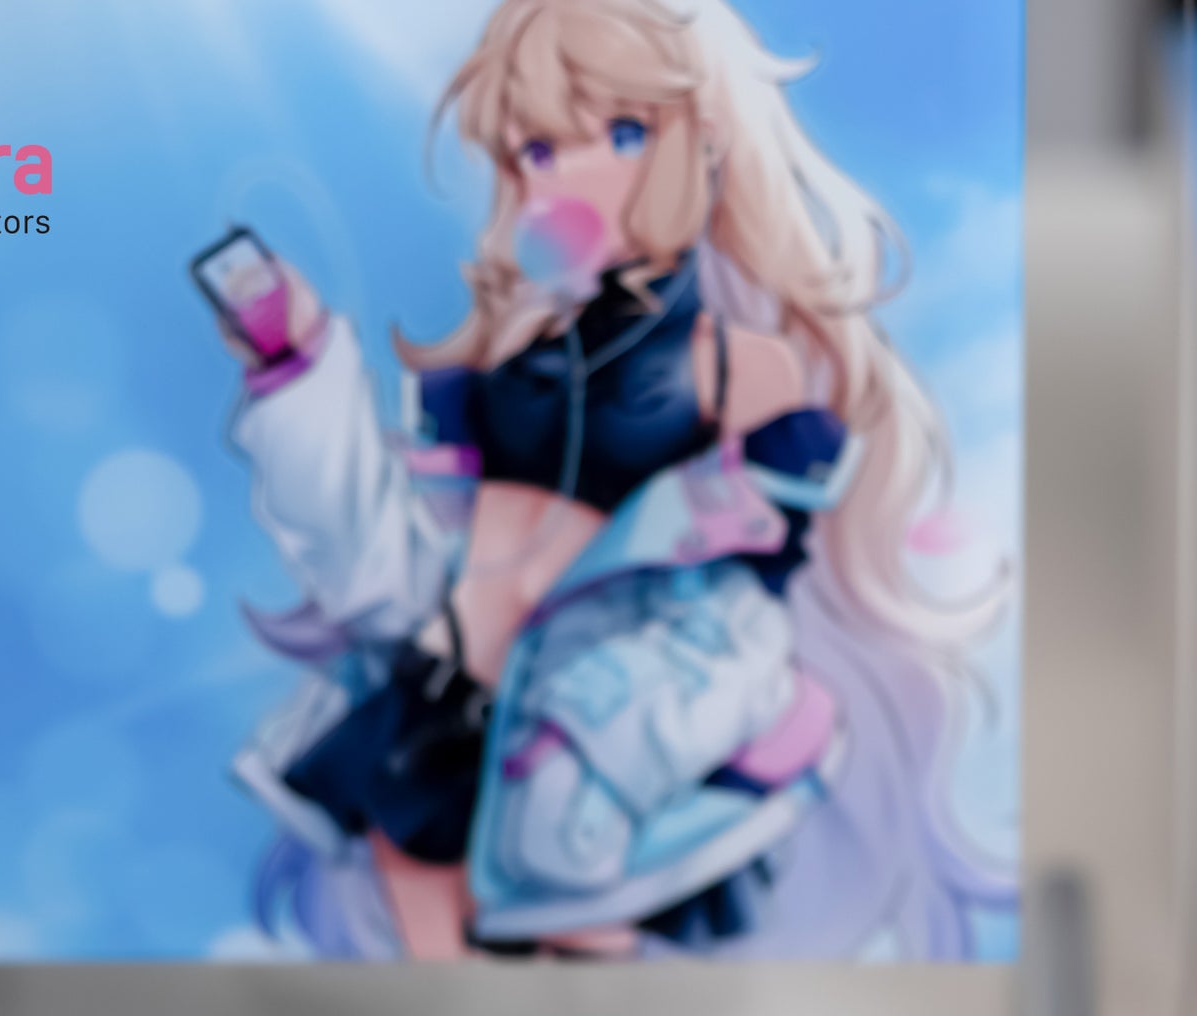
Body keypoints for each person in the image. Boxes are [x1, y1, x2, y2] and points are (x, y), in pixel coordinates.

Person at [218, 0, 1012, 961]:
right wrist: (298, 368)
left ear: (699, 140)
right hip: (445, 699)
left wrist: (618, 711)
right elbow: (385, 560)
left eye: (624, 133)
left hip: (607, 735)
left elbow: (754, 595)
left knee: (577, 954)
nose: (572, 177)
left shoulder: (736, 366)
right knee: (443, 969)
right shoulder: (508, 365)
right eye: (537, 151)